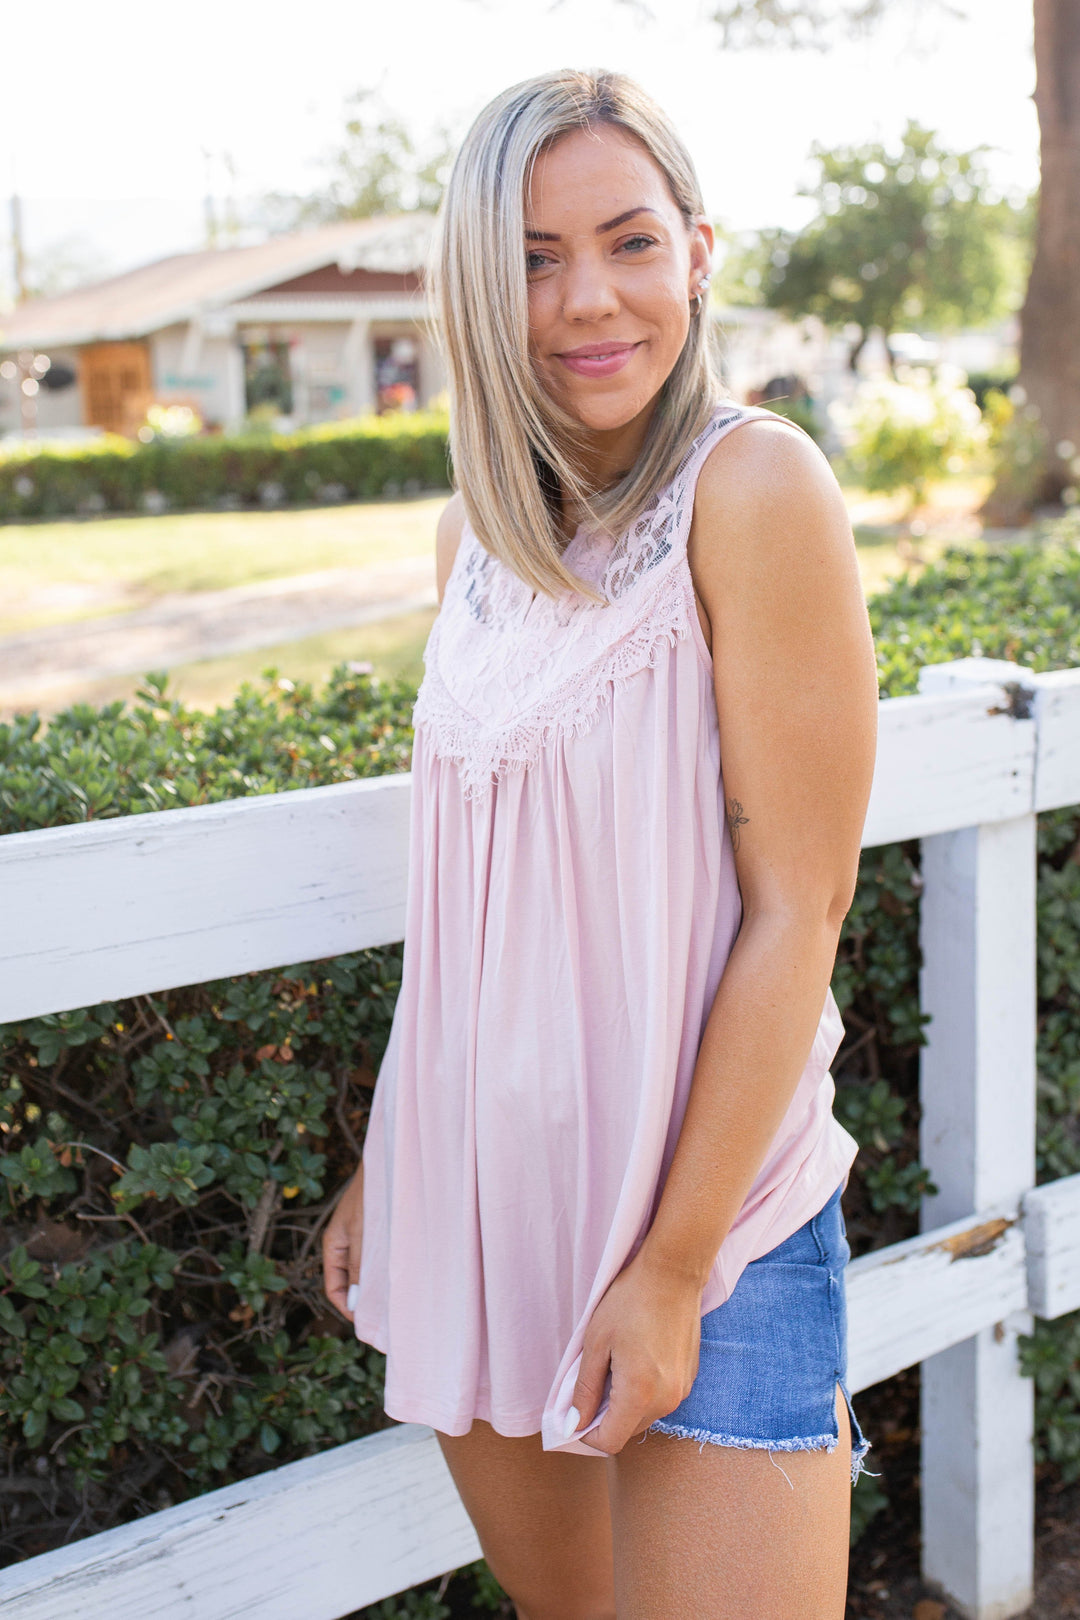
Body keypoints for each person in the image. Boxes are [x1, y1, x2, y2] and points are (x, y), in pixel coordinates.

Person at [323, 68, 879, 1620]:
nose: (588, 301)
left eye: (629, 242)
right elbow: (481, 903)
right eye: (532, 258)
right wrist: (392, 1152)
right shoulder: (472, 544)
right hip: (481, 1209)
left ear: (699, 251)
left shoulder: (753, 489)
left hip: (709, 1219)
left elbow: (801, 906)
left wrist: (675, 1261)